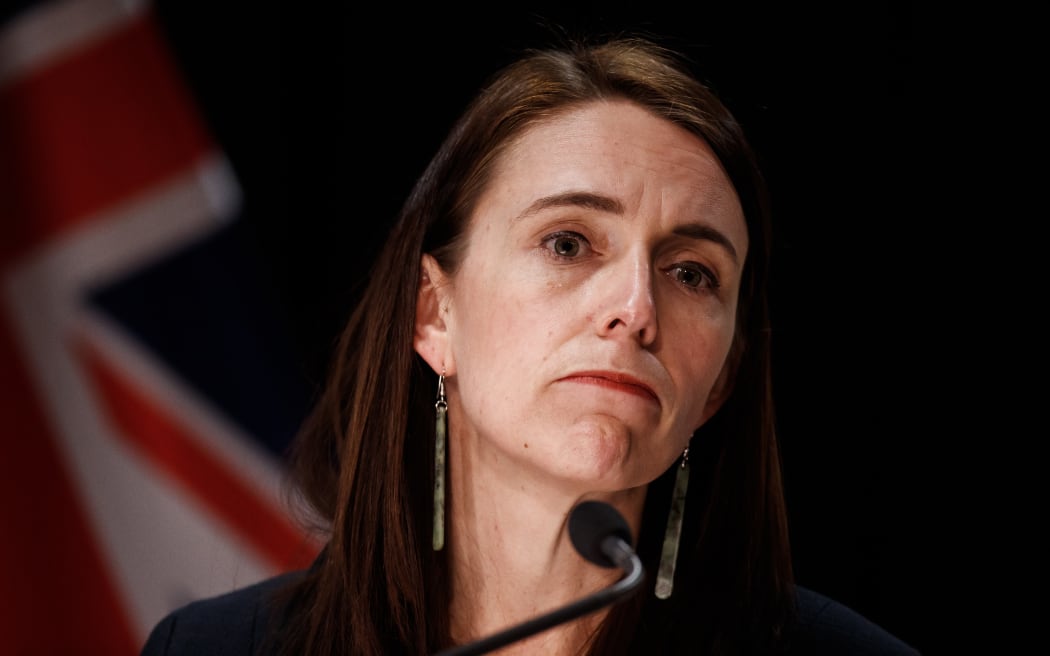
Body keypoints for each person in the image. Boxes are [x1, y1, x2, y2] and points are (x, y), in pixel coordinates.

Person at [140, 33, 920, 656]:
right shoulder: (214, 649)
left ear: (718, 385)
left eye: (691, 272)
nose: (635, 309)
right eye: (569, 243)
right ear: (433, 317)